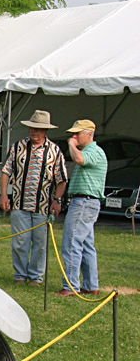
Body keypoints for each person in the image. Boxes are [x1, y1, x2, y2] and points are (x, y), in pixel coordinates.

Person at [0, 110, 67, 286]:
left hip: (43, 206)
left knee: (40, 244)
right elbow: (6, 171)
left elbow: (62, 180)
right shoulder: (17, 147)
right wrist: (4, 195)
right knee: (20, 242)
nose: (34, 132)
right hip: (19, 204)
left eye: (38, 129)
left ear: (45, 131)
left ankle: (36, 277)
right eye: (32, 129)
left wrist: (57, 200)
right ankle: (20, 275)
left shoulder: (54, 151)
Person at [57, 119, 107, 297]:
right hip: (87, 203)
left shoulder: (94, 152)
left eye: (78, 133)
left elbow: (79, 159)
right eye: (73, 134)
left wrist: (71, 145)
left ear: (89, 134)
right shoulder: (90, 151)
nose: (74, 136)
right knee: (86, 245)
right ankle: (91, 285)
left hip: (84, 202)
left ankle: (71, 286)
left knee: (71, 242)